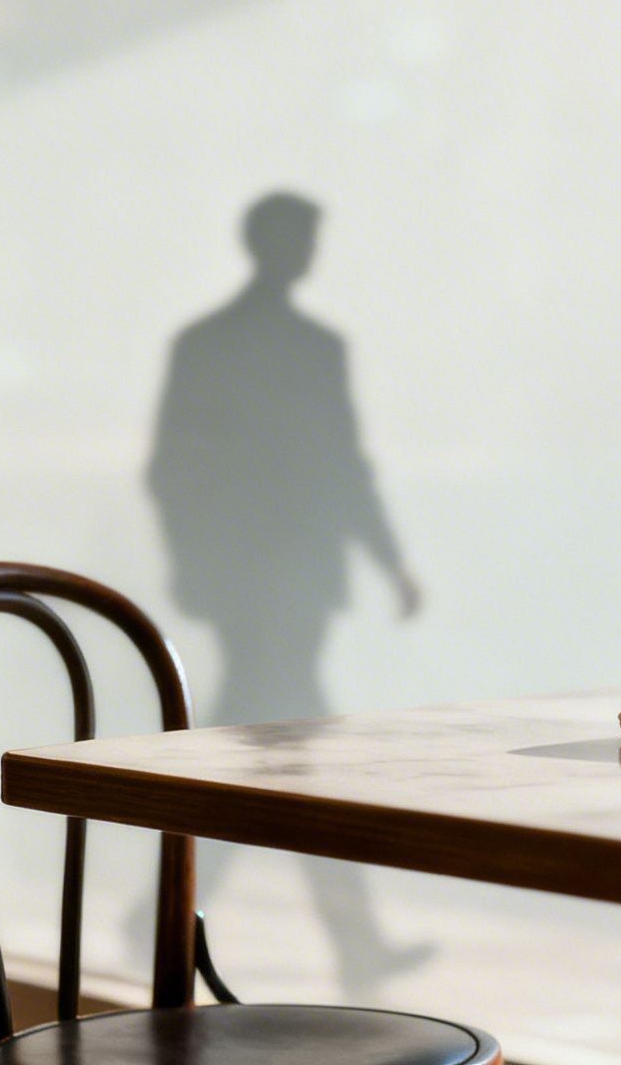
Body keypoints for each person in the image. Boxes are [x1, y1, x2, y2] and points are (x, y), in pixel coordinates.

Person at [146, 190, 427, 995]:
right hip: (273, 583)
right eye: (302, 236)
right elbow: (184, 471)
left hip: (278, 584)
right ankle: (352, 938)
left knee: (259, 756)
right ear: (275, 245)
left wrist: (390, 560)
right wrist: (389, 560)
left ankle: (165, 909)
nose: (309, 250)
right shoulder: (286, 348)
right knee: (298, 757)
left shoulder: (234, 345)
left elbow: (338, 467)